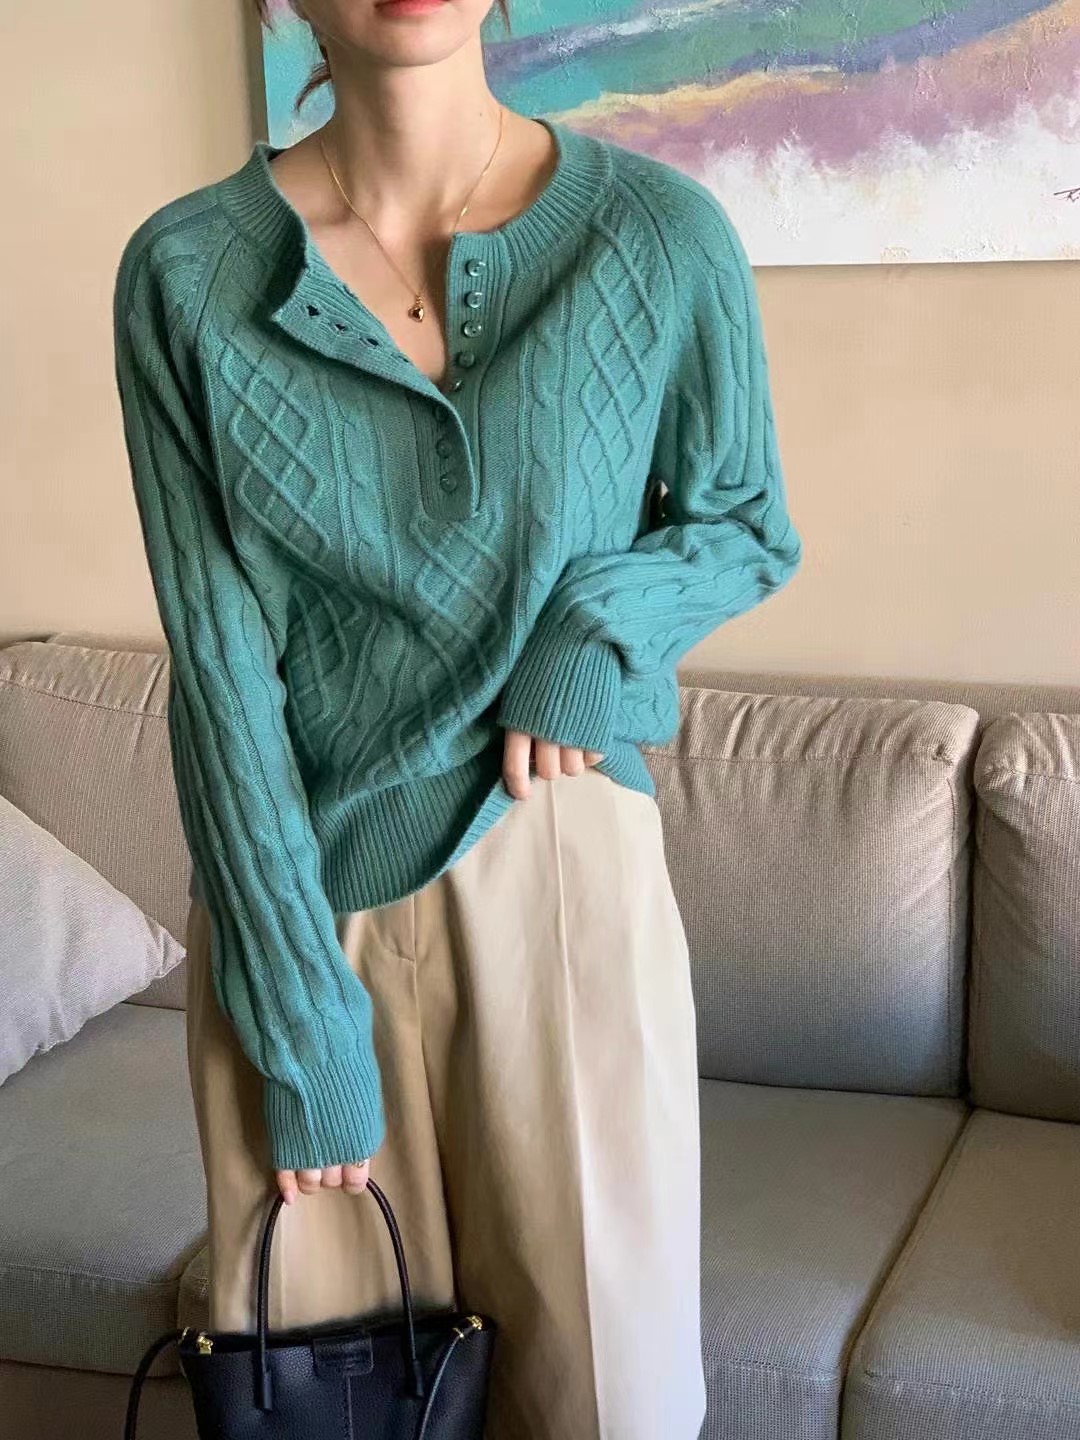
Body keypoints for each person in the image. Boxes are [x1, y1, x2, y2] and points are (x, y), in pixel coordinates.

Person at [110, 0, 802, 1433]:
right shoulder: (183, 273)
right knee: (334, 1401)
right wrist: (302, 1024)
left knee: (604, 1400)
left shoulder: (660, 236)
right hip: (303, 915)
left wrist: (592, 631)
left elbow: (743, 521)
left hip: (562, 868)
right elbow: (219, 670)